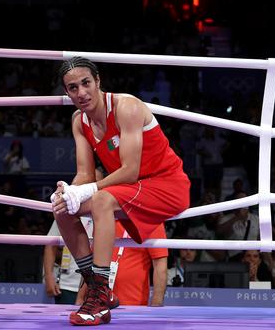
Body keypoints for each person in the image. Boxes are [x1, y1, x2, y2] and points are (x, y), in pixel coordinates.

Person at [50, 57, 190, 325]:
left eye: (86, 83)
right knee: (62, 209)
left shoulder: (127, 107)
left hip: (166, 184)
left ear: (98, 81)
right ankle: (98, 288)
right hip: (129, 190)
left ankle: (99, 300)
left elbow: (130, 170)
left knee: (101, 200)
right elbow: (84, 174)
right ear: (66, 92)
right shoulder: (79, 121)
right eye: (72, 88)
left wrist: (88, 189)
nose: (81, 92)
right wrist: (68, 192)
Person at [76, 223, 168, 307]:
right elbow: (91, 262)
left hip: (133, 304)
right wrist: (80, 298)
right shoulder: (103, 219)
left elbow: (160, 265)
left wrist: (156, 303)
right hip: (96, 302)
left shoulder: (150, 221)